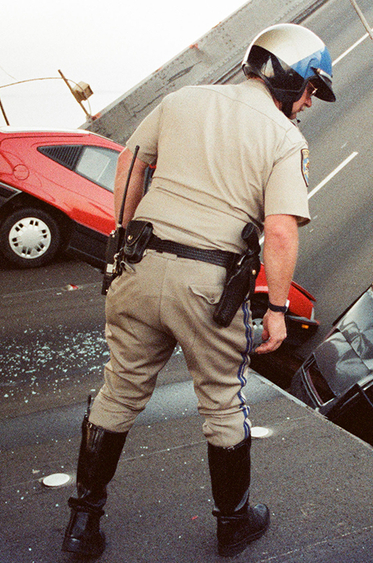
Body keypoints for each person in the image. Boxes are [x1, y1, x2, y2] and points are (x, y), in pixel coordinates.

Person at [60, 23, 336, 559]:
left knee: (118, 393)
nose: (308, 103)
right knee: (222, 403)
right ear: (289, 78)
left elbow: (130, 164)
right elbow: (281, 231)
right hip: (208, 286)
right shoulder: (285, 139)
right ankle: (233, 525)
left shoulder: (182, 99)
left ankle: (82, 524)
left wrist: (123, 239)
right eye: (309, 89)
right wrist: (277, 310)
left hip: (140, 268)